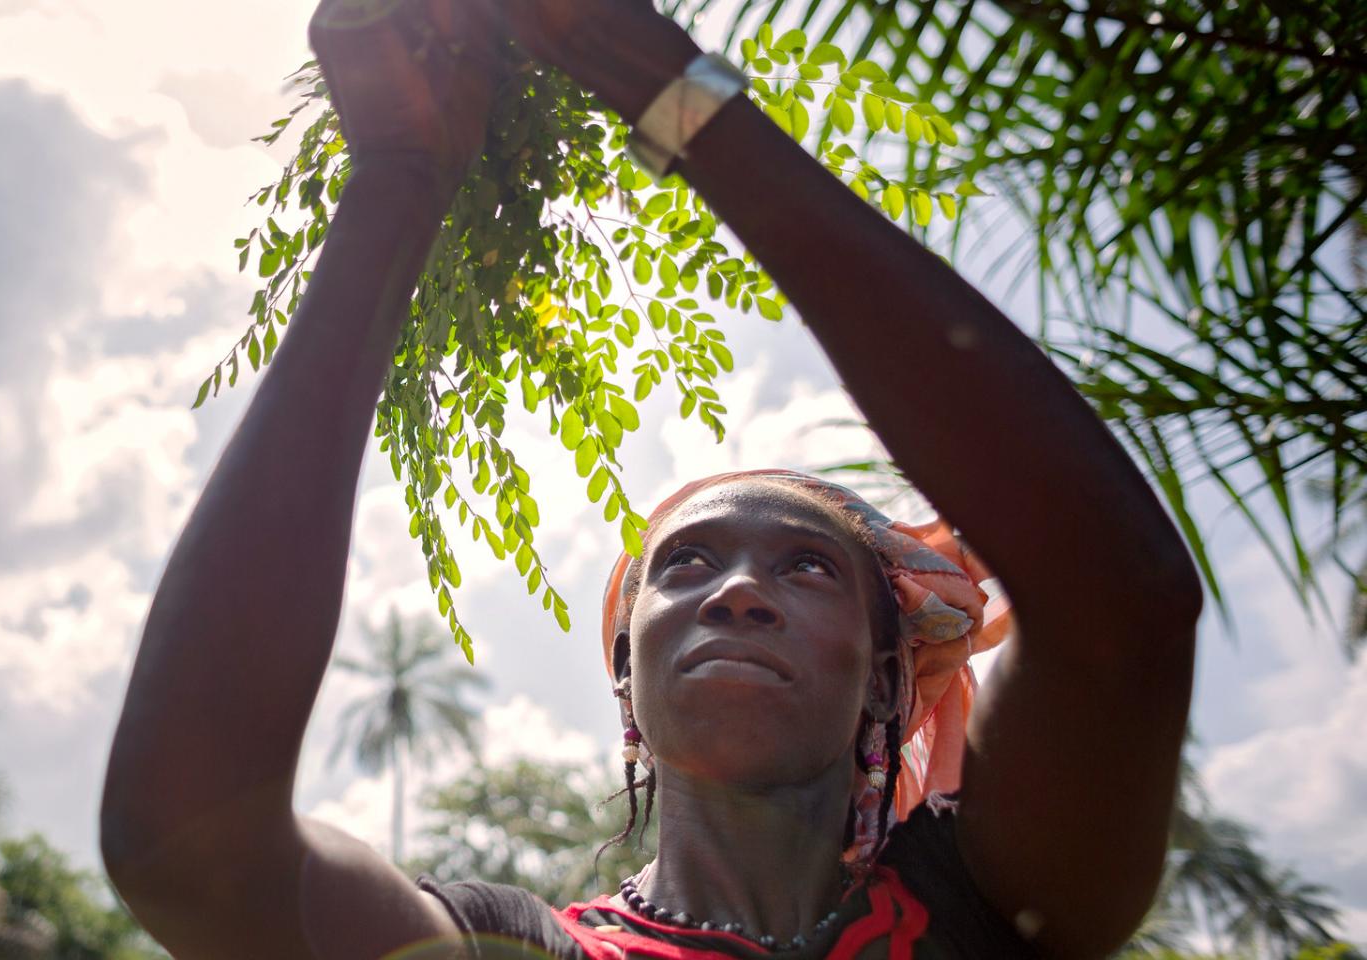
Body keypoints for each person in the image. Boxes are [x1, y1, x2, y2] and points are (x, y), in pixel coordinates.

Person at [99, 0, 1203, 957]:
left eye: (809, 565)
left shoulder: (986, 912)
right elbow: (188, 847)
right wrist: (396, 175)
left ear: (884, 677)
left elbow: (1126, 606)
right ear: (627, 678)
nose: (735, 589)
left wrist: (674, 94)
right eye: (683, 566)